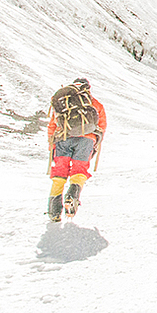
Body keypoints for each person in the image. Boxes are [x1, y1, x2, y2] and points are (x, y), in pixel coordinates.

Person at [46, 78, 107, 222]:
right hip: (86, 140)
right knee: (79, 170)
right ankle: (72, 196)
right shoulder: (94, 103)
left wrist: (51, 145)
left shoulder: (63, 102)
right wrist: (94, 142)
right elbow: (102, 126)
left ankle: (54, 211)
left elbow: (52, 125)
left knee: (59, 173)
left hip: (63, 138)